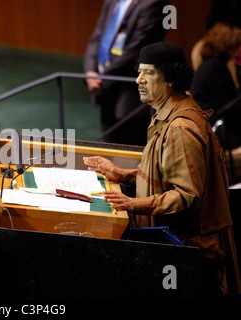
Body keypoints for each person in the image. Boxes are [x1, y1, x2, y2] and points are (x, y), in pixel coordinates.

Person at [83, 42, 241, 295]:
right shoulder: (170, 111)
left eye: (149, 73)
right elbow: (166, 173)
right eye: (139, 71)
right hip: (177, 245)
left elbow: (186, 194)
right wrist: (124, 175)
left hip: (187, 250)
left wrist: (133, 204)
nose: (139, 80)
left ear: (171, 79)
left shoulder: (180, 128)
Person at [84, 0, 168, 146]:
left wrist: (103, 78)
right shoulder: (113, 1)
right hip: (104, 85)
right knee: (109, 144)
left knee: (130, 146)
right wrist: (90, 72)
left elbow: (137, 49)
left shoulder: (154, 3)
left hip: (130, 92)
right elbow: (97, 36)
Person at [190, 23, 241, 125]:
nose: (237, 52)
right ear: (228, 45)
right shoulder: (215, 67)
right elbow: (227, 103)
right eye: (236, 47)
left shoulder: (208, 64)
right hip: (213, 125)